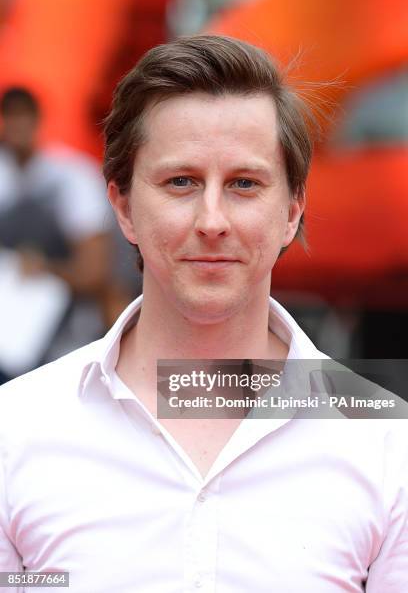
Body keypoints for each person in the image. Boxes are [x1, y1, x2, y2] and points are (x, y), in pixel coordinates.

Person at [0, 35, 406, 592]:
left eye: (244, 183)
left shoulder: (385, 441)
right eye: (181, 182)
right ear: (123, 208)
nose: (212, 220)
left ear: (291, 212)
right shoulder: (15, 429)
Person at [0, 87, 113, 379]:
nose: (16, 126)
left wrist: (45, 268)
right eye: (9, 117)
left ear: (37, 120)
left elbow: (94, 272)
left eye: (23, 116)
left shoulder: (72, 177)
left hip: (65, 333)